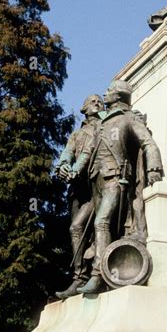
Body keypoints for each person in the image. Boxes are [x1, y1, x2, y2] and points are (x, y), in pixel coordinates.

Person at [77, 80, 163, 295]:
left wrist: (153, 167)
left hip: (116, 179)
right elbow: (88, 151)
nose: (105, 94)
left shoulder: (128, 118)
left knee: (102, 221)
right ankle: (100, 271)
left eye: (109, 91)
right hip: (96, 180)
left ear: (119, 96)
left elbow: (148, 143)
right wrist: (74, 169)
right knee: (99, 228)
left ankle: (98, 275)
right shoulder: (103, 123)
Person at [55, 94, 104, 299]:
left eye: (100, 101)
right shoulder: (77, 134)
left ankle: (82, 276)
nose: (98, 104)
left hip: (96, 187)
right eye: (93, 101)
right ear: (84, 108)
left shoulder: (104, 128)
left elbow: (89, 154)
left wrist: (76, 168)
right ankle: (82, 276)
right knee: (78, 229)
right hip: (78, 190)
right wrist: (64, 166)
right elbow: (68, 152)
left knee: (78, 227)